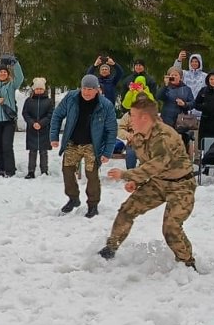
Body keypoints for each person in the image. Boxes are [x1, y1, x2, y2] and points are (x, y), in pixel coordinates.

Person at [98, 95, 197, 268]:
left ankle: (187, 263)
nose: (130, 121)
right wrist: (137, 183)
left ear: (144, 118)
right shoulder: (139, 137)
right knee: (127, 210)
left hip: (181, 185)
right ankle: (110, 249)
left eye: (133, 116)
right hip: (159, 182)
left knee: (171, 227)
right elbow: (145, 162)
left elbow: (155, 165)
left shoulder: (165, 136)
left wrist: (127, 175)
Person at [49, 74, 117, 217]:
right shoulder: (71, 98)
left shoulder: (105, 105)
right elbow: (57, 115)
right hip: (72, 142)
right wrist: (53, 136)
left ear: (97, 90)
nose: (86, 92)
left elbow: (111, 130)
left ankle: (93, 204)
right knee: (67, 170)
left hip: (93, 145)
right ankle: (73, 198)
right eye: (84, 88)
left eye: (90, 89)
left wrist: (107, 152)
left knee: (92, 175)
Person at [22, 77, 54, 179]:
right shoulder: (29, 101)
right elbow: (25, 113)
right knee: (32, 151)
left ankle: (44, 170)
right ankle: (31, 171)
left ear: (44, 89)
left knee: (44, 151)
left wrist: (42, 123)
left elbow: (50, 114)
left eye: (41, 89)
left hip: (44, 130)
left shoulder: (49, 101)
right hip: (32, 130)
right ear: (34, 89)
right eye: (37, 89)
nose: (39, 90)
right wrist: (32, 123)